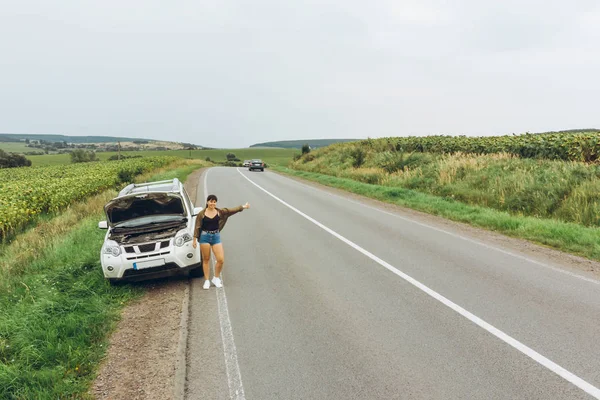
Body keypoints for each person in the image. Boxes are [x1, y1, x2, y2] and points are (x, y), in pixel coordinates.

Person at [192, 194, 250, 289]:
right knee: (206, 259)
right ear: (207, 202)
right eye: (211, 201)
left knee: (220, 259)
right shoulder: (201, 214)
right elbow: (197, 226)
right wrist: (194, 239)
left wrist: (243, 206)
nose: (213, 203)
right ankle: (206, 280)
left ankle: (216, 278)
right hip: (204, 237)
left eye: (214, 202)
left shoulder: (220, 212)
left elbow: (232, 210)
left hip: (216, 237)